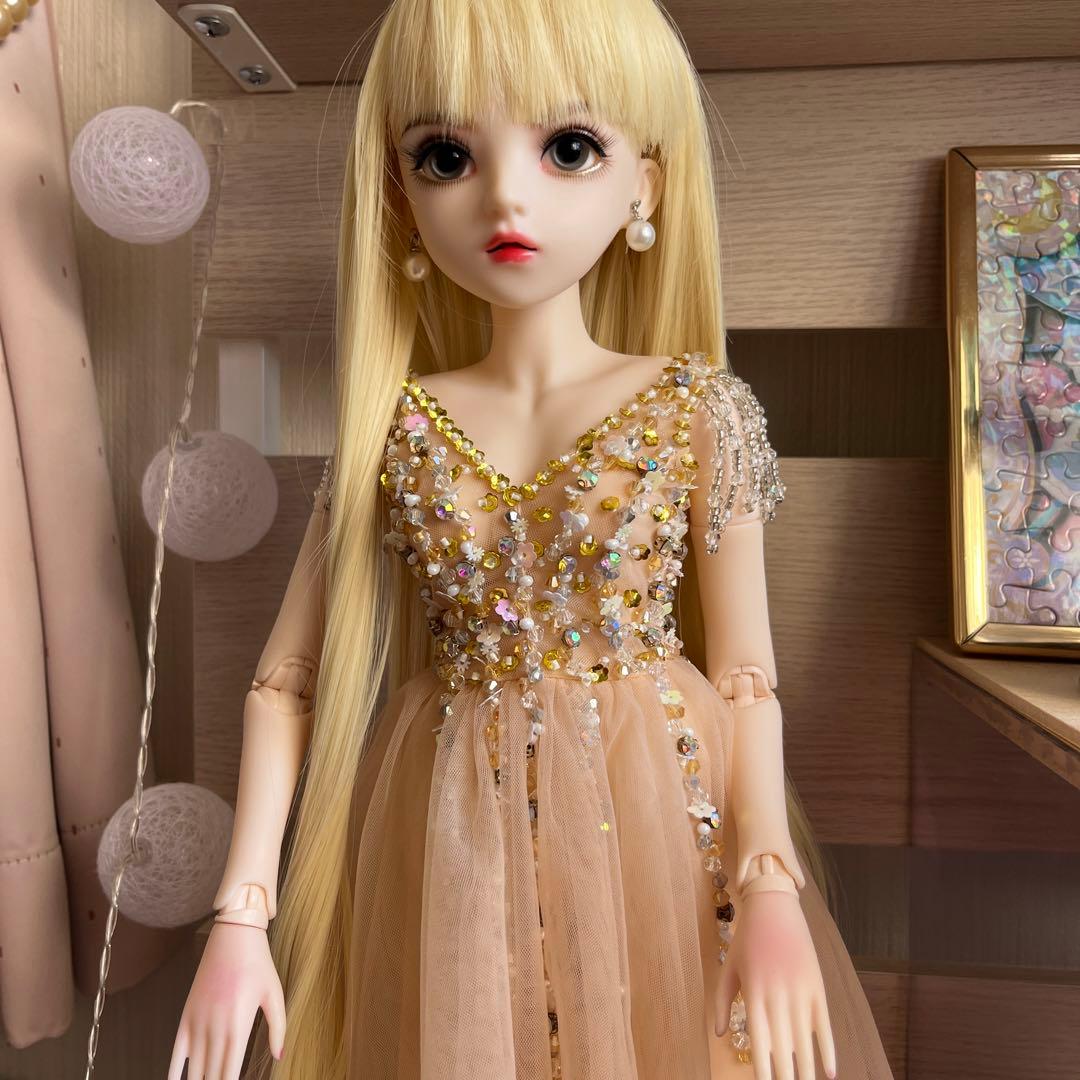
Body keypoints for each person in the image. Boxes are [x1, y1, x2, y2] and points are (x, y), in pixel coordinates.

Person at [170, 0, 895, 1077]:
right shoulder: (398, 426)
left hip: (658, 805)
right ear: (400, 196)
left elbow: (747, 680)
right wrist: (242, 913)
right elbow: (286, 683)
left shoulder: (698, 408)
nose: (506, 196)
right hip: (450, 816)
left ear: (645, 187)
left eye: (569, 148)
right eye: (446, 156)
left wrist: (767, 881)